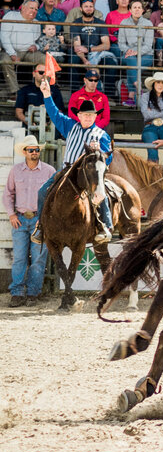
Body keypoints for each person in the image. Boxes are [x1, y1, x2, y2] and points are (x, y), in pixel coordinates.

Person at [33, 80, 113, 244]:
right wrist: (47, 94)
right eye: (85, 115)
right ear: (79, 116)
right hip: (66, 171)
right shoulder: (70, 126)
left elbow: (108, 157)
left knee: (100, 194)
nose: (88, 117)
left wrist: (99, 152)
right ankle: (41, 226)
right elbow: (54, 113)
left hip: (88, 174)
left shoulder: (101, 135)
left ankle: (105, 226)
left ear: (96, 116)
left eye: (91, 115)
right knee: (42, 192)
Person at [5, 136, 54, 306]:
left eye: (36, 150)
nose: (34, 153)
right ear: (24, 152)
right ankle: (17, 293)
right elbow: (8, 194)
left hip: (39, 220)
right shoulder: (16, 170)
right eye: (30, 150)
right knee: (19, 258)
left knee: (39, 259)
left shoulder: (49, 171)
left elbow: (54, 197)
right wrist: (11, 214)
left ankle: (33, 293)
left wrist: (45, 219)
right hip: (19, 219)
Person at [140, 72, 163, 164]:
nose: (160, 85)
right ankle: (154, 178)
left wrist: (153, 112)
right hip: (150, 128)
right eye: (158, 82)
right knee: (153, 155)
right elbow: (146, 115)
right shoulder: (145, 97)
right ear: (153, 84)